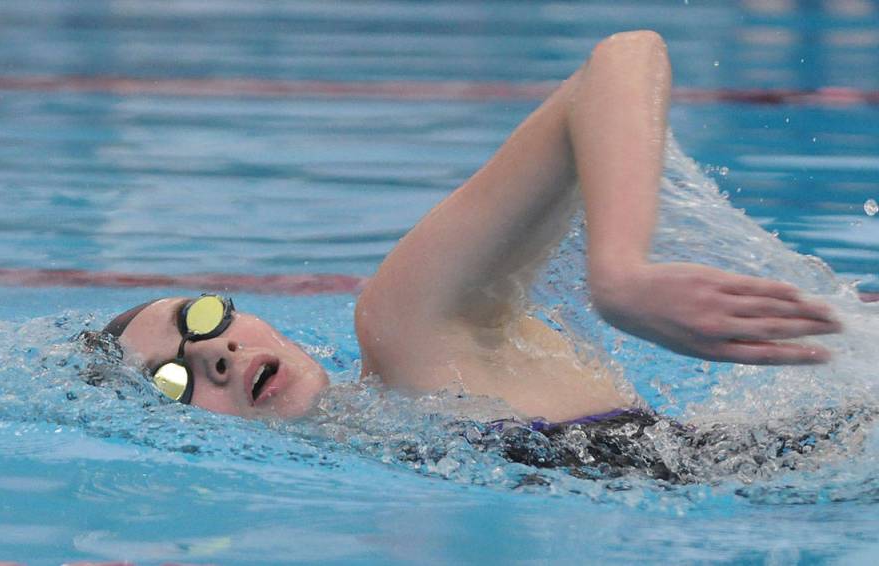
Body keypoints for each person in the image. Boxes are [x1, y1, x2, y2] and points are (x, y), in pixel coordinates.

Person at [100, 31, 842, 438]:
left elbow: (621, 58)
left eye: (201, 318)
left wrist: (620, 275)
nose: (215, 355)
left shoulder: (408, 328)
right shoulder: (388, 461)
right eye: (173, 381)